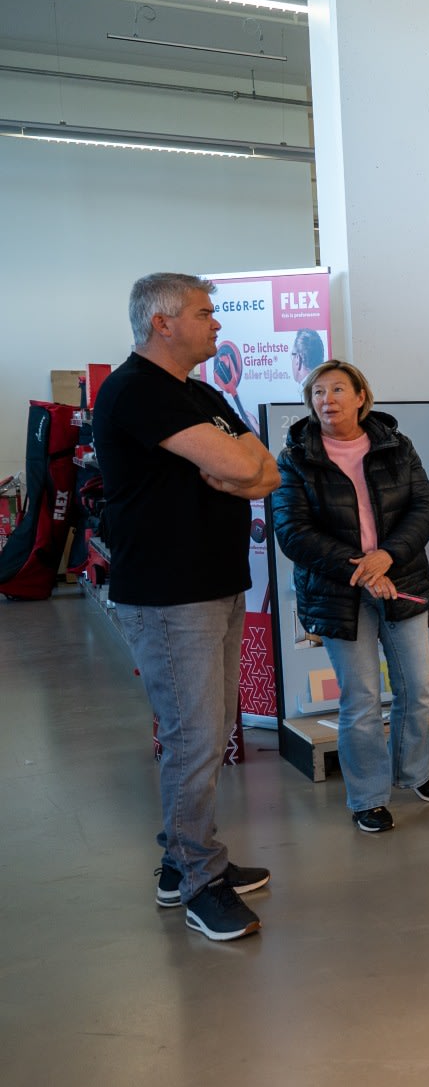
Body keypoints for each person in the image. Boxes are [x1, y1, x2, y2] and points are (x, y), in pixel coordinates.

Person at [93, 273, 281, 941]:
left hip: (216, 583)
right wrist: (238, 466)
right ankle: (199, 883)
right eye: (205, 313)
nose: (218, 324)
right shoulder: (136, 392)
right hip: (171, 598)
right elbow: (236, 462)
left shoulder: (197, 392)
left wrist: (241, 466)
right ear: (162, 322)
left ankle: (183, 863)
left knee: (206, 733)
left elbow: (265, 467)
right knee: (195, 741)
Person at [271, 360, 429, 833]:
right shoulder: (294, 457)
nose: (327, 400)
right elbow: (292, 532)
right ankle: (367, 796)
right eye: (317, 392)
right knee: (362, 696)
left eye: (337, 390)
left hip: (401, 576)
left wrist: (387, 557)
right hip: (338, 590)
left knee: (417, 685)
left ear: (361, 398)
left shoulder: (395, 445)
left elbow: (424, 506)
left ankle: (414, 772)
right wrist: (365, 569)